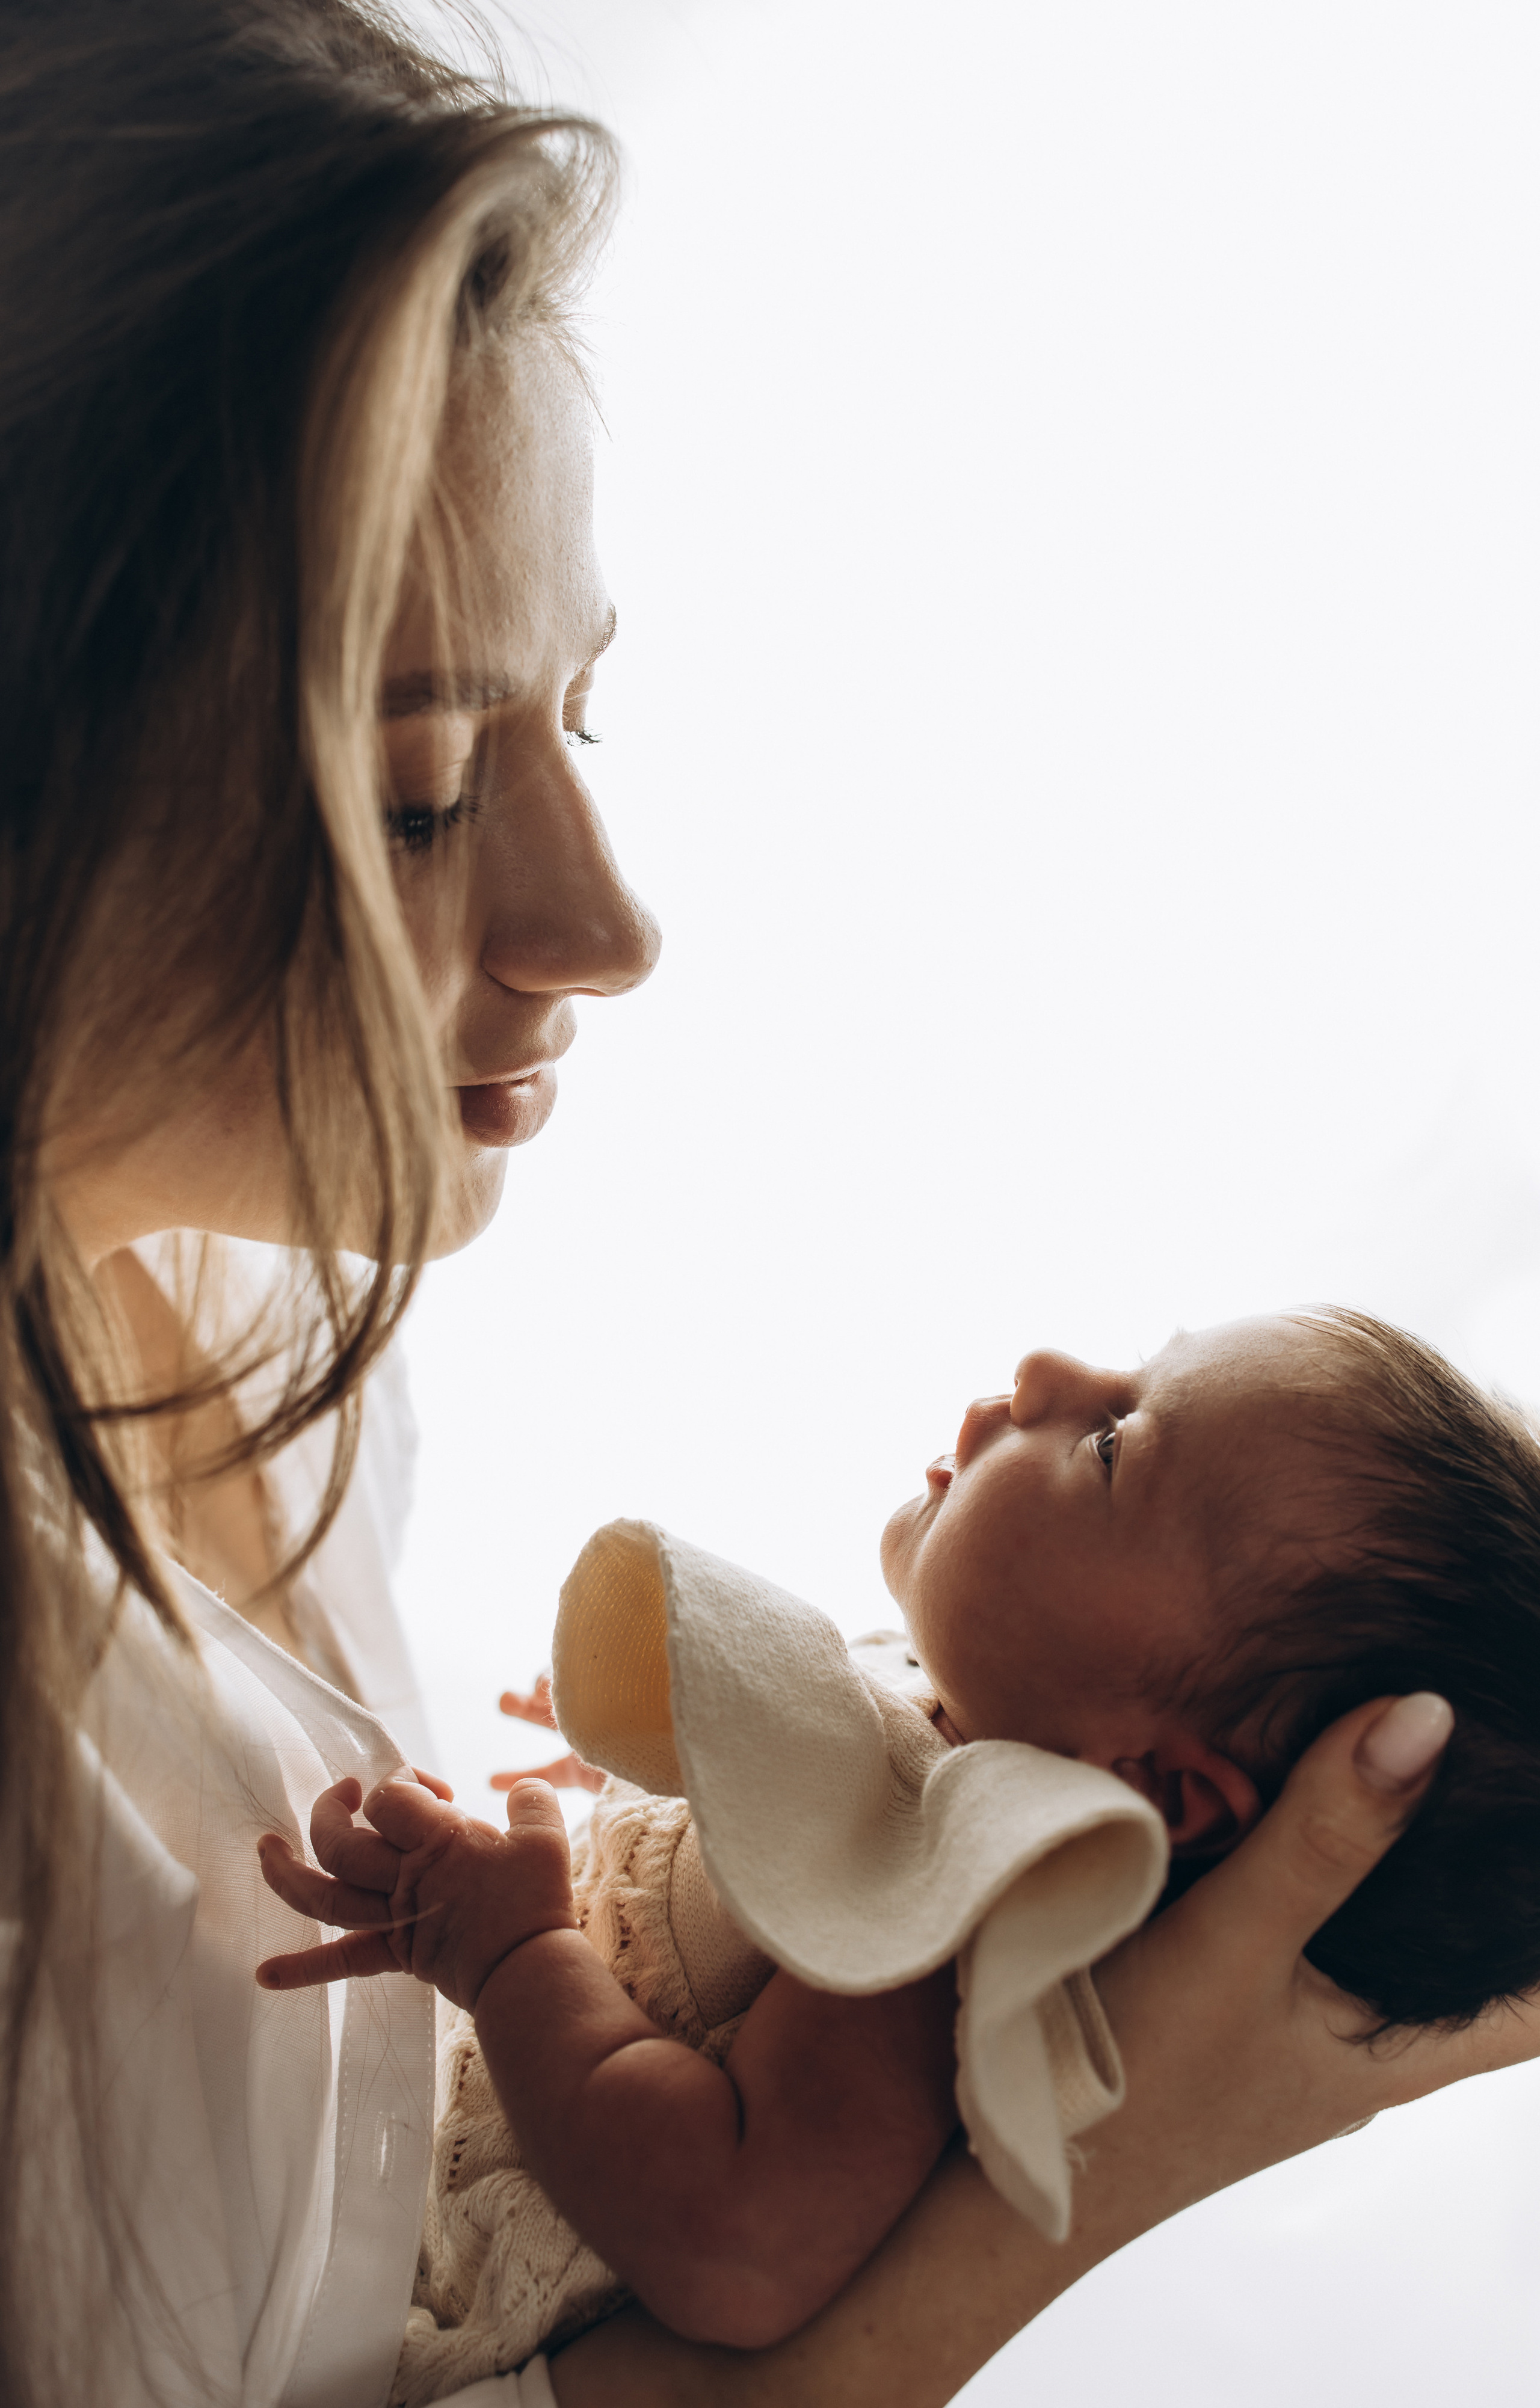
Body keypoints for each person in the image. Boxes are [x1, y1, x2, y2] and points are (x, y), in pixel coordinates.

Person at [2, 5, 1536, 2407]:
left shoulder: (295, 1289)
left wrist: (549, 1919)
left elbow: (720, 2207)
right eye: (411, 794)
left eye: (573, 716)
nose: (607, 923)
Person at [253, 1304, 1540, 2399]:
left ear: (1155, 1783)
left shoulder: (945, 1900)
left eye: (1108, 1444)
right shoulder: (928, 1732)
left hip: (395, 2319)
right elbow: (748, 1895)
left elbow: (734, 2240)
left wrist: (515, 1948)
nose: (1044, 1371)